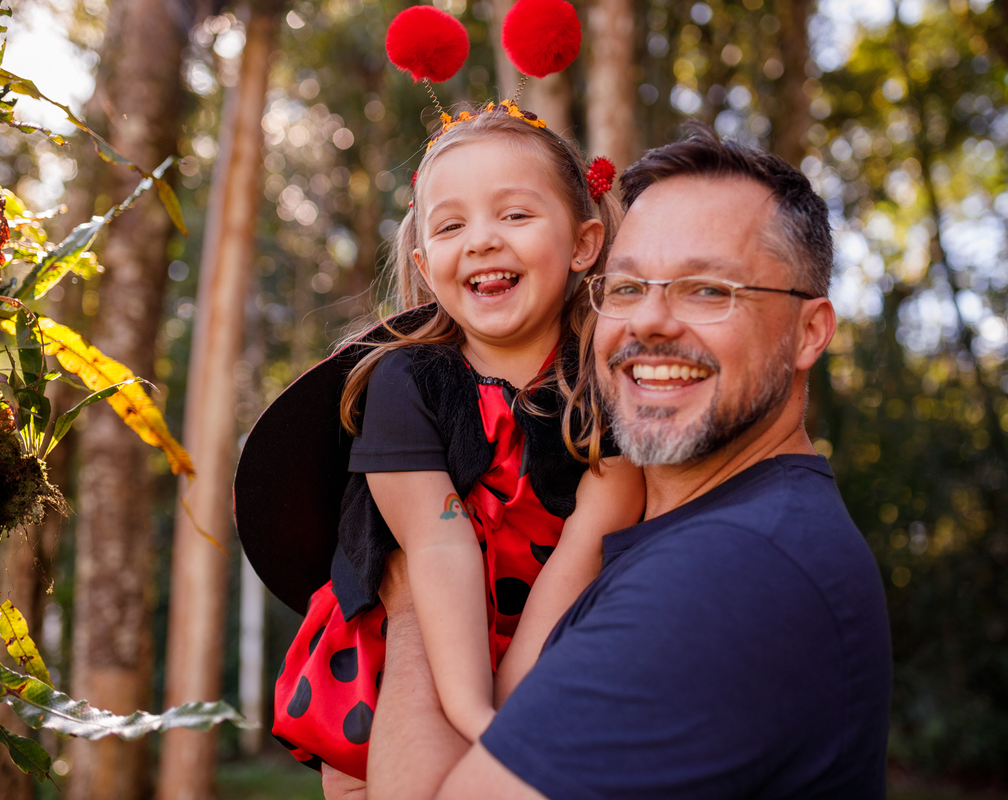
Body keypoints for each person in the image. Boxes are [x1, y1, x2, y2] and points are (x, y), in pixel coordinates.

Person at [362, 123, 893, 800]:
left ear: (809, 332)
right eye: (627, 287)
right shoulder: (683, 532)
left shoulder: (730, 573)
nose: (651, 322)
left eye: (707, 290)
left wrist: (407, 603)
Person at [271, 102, 645, 787]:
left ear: (584, 244)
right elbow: (437, 543)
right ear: (424, 260)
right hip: (403, 650)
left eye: (515, 215)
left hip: (547, 634)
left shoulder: (608, 388)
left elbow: (585, 546)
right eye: (452, 225)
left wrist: (508, 711)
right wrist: (473, 709)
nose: (480, 240)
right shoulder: (404, 381)